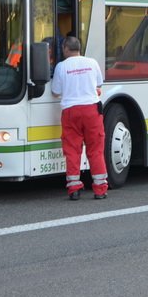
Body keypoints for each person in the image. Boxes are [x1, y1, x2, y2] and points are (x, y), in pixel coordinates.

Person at [50, 36, 108, 200]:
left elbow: (55, 91)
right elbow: (99, 85)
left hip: (70, 112)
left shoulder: (61, 67)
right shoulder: (92, 63)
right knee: (95, 149)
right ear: (79, 48)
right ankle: (100, 189)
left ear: (65, 49)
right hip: (92, 110)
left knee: (72, 150)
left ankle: (74, 188)